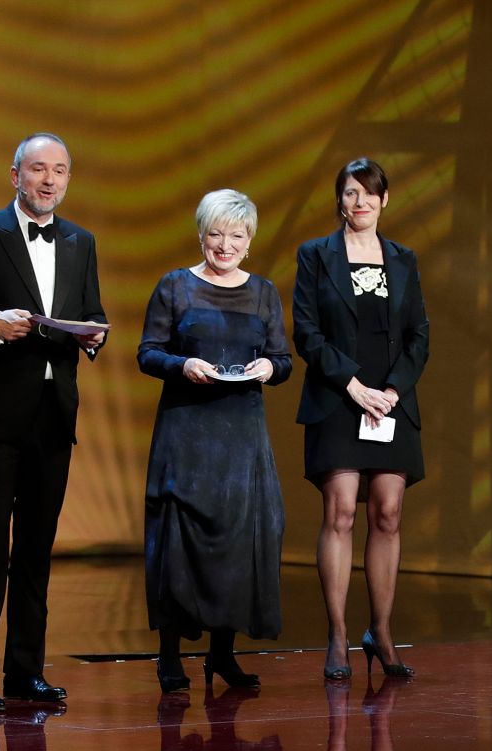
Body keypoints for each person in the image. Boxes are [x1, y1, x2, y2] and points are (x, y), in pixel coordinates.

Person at [0, 132, 108, 714]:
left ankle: (26, 670)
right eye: (38, 170)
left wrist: (96, 335)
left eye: (59, 170)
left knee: (37, 546)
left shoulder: (81, 241)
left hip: (54, 414)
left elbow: (92, 313)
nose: (49, 180)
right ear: (15, 176)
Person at [137, 189, 292, 693]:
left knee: (237, 540)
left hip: (241, 436)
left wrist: (270, 366)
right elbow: (148, 353)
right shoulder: (175, 287)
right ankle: (169, 656)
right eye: (216, 233)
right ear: (202, 234)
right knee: (178, 545)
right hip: (187, 434)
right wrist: (183, 365)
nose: (225, 244)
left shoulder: (264, 292)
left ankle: (222, 655)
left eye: (237, 235)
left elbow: (283, 361)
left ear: (249, 242)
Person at [293, 157, 429, 682]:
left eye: (369, 193)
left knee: (389, 514)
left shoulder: (404, 259)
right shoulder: (316, 256)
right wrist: (354, 385)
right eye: (351, 193)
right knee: (342, 512)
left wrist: (392, 390)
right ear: (340, 200)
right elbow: (307, 332)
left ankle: (381, 631)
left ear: (385, 200)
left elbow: (420, 334)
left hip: (392, 400)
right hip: (339, 396)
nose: (360, 202)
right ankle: (338, 636)